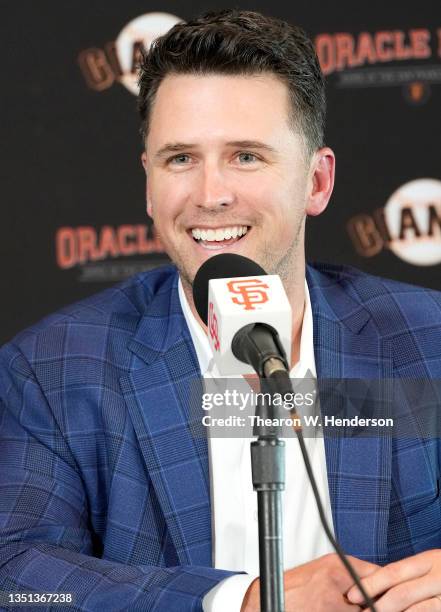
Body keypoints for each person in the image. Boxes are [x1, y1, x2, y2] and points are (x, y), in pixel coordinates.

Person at [1, 9, 441, 611]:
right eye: (181, 159)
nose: (211, 195)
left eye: (247, 157)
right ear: (149, 185)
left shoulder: (428, 339)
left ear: (316, 182)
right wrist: (245, 600)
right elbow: (17, 579)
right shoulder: (52, 368)